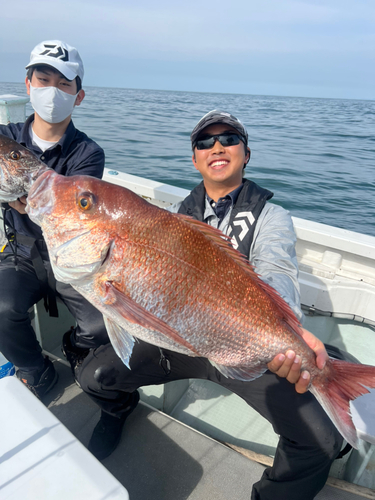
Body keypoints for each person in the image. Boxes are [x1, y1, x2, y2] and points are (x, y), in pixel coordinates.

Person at [76, 110, 343, 499]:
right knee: (94, 376)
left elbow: (277, 269)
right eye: (204, 142)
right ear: (194, 158)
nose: (217, 147)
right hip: (178, 338)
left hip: (246, 345)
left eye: (229, 139)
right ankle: (117, 410)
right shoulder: (174, 219)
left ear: (246, 153)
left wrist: (286, 330)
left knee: (321, 441)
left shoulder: (271, 217)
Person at [0, 40, 108, 399]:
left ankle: (73, 345)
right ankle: (35, 369)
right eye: (43, 80)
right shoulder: (7, 138)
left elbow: (62, 210)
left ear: (78, 96)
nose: (52, 92)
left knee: (100, 325)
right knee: (2, 308)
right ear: (28, 84)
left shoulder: (88, 153)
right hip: (21, 252)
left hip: (74, 258)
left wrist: (27, 200)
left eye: (64, 84)